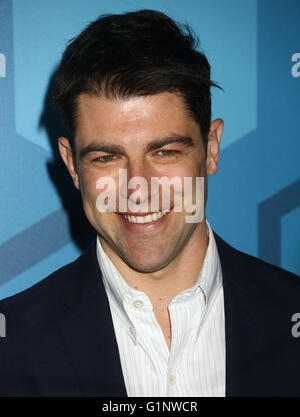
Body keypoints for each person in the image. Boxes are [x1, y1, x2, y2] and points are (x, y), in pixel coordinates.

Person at [0, 9, 299, 397]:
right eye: (106, 157)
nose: (138, 188)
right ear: (73, 165)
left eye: (166, 152)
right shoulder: (11, 344)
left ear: (211, 149)